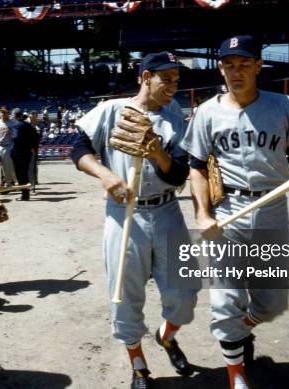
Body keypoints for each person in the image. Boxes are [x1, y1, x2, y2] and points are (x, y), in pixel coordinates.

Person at [180, 36, 289, 389]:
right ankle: (237, 376)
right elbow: (197, 167)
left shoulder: (283, 106)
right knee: (225, 300)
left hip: (273, 206)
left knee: (271, 303)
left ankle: (240, 331)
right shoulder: (206, 112)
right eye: (229, 64)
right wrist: (202, 213)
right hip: (228, 208)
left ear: (259, 67)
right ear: (220, 68)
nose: (236, 71)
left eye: (244, 64)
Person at [71, 51, 197, 389]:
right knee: (124, 294)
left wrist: (157, 151)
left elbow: (180, 173)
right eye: (166, 78)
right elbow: (77, 147)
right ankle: (138, 364)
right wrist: (105, 175)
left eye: (176, 79)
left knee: (185, 292)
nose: (173, 84)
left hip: (167, 208)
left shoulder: (176, 118)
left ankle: (166, 336)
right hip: (124, 212)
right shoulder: (112, 109)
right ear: (145, 77)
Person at [10, 108, 38, 201]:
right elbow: (36, 137)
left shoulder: (16, 126)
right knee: (25, 173)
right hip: (27, 152)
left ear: (14, 115)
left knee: (20, 174)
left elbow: (16, 137)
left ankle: (24, 195)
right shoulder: (29, 125)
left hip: (18, 152)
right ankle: (26, 194)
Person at [0, 105, 18, 186]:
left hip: (8, 146)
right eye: (1, 112)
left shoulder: (13, 122)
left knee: (7, 166)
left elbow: (17, 134)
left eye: (4, 112)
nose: (2, 114)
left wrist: (10, 131)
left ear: (8, 113)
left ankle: (8, 182)